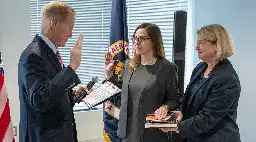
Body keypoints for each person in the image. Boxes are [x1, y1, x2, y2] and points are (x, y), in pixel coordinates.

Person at [18, 1, 90, 142]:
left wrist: (74, 96)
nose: (70, 34)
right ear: (54, 22)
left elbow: (53, 94)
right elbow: (40, 100)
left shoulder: (50, 52)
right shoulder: (33, 55)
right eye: (70, 27)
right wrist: (71, 68)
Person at [161, 24, 241, 142]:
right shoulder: (201, 67)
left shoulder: (227, 79)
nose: (196, 47)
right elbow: (189, 99)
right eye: (197, 42)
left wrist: (175, 127)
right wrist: (179, 113)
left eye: (201, 42)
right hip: (194, 136)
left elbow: (208, 118)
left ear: (217, 45)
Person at [104, 23, 180, 142]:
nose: (137, 42)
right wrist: (109, 74)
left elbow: (174, 99)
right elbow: (119, 91)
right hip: (126, 131)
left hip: (151, 132)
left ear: (154, 41)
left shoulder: (167, 68)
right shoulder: (128, 65)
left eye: (142, 39)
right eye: (135, 38)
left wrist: (165, 107)